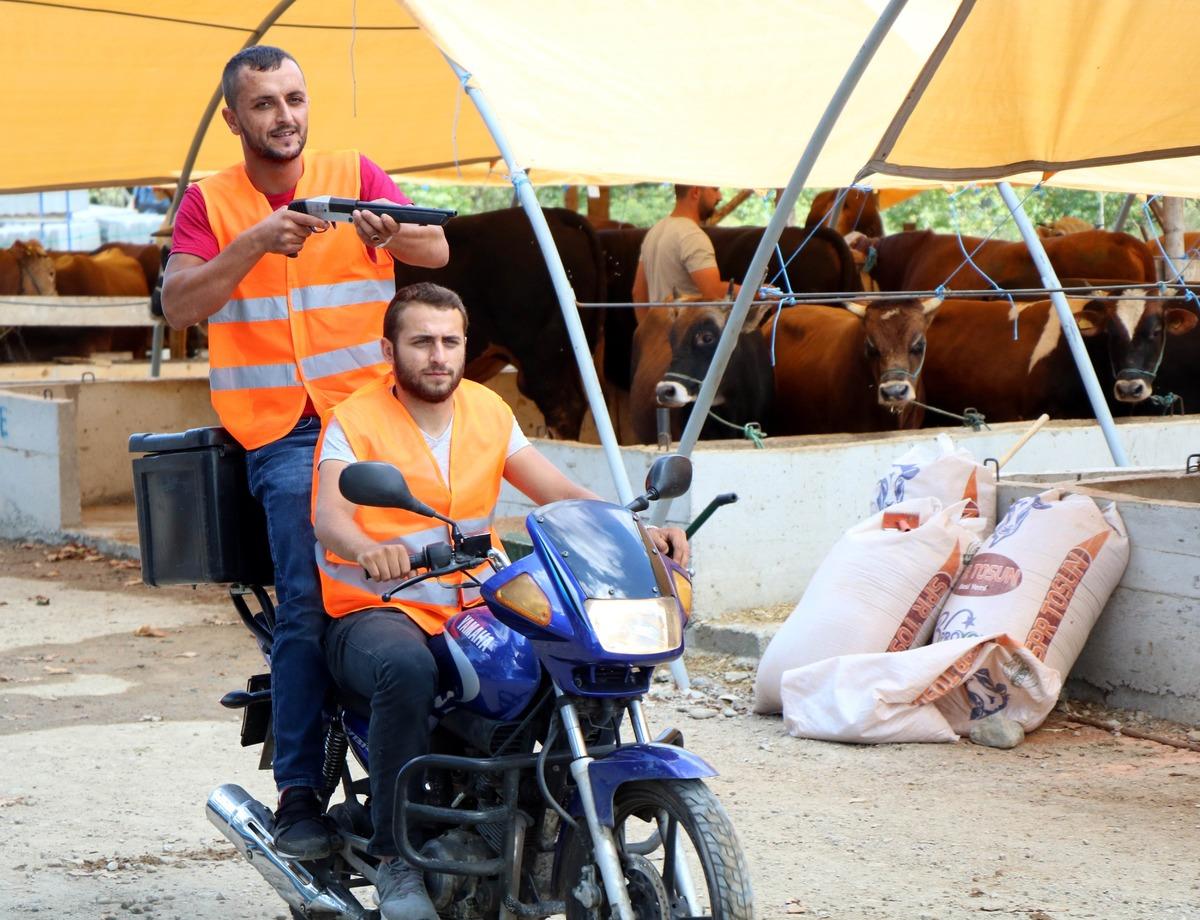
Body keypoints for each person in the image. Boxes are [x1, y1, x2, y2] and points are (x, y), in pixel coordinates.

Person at [312, 282, 689, 920]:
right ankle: (396, 856)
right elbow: (329, 516)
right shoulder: (356, 418)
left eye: (450, 341)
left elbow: (557, 493)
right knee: (407, 668)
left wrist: (631, 528)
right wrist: (367, 548)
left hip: (472, 603)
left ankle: (542, 817)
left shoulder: (488, 409)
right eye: (421, 341)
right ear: (389, 350)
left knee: (563, 657)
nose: (438, 355)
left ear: (467, 347)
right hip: (376, 607)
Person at [160, 45, 449, 860]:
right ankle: (298, 795)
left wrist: (394, 230)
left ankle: (442, 748)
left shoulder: (354, 172)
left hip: (372, 418)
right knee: (306, 598)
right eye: (264, 104)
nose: (284, 116)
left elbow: (436, 252)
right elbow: (178, 303)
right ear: (234, 119)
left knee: (446, 565)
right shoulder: (210, 202)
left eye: (294, 98)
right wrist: (254, 241)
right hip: (283, 430)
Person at [632, 184, 741, 308]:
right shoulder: (692, 235)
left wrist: (650, 321)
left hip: (663, 320)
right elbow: (713, 293)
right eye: (715, 189)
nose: (719, 197)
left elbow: (638, 293)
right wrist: (756, 292)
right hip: (691, 321)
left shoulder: (654, 232)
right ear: (695, 192)